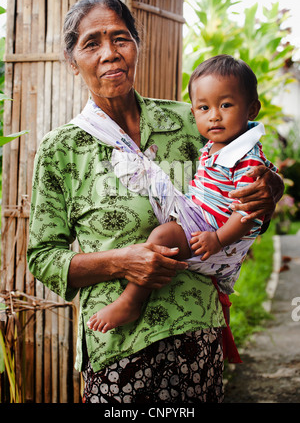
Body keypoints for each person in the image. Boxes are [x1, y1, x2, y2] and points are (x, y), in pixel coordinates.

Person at [27, 0, 283, 404]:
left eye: (121, 39)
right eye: (92, 43)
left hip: (196, 331)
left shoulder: (193, 120)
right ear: (72, 60)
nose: (110, 53)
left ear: (136, 47)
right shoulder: (63, 149)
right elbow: (42, 257)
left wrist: (272, 191)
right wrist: (122, 260)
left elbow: (248, 185)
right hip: (120, 348)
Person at [86, 55, 278, 334]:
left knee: (164, 236)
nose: (214, 115)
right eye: (204, 107)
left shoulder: (246, 158)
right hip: (203, 216)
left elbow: (249, 213)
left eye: (225, 105)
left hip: (216, 230)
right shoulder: (216, 144)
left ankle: (130, 301)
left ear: (251, 109)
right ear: (193, 111)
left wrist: (218, 239)